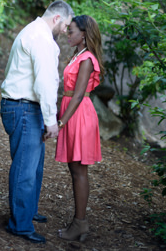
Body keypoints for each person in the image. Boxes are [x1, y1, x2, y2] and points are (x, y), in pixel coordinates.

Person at [0, 0, 74, 244]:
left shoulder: (36, 31)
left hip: (27, 108)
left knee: (35, 166)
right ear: (56, 18)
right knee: (25, 168)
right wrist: (51, 120)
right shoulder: (40, 37)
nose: (65, 31)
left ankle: (28, 211)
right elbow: (44, 82)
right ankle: (20, 225)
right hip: (23, 107)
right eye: (64, 26)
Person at [54, 15, 103, 242]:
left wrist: (62, 121)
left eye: (71, 30)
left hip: (79, 115)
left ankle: (80, 223)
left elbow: (79, 94)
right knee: (75, 171)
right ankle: (79, 222)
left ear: (83, 34)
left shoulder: (87, 59)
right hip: (72, 112)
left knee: (79, 171)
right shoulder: (78, 55)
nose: (68, 33)